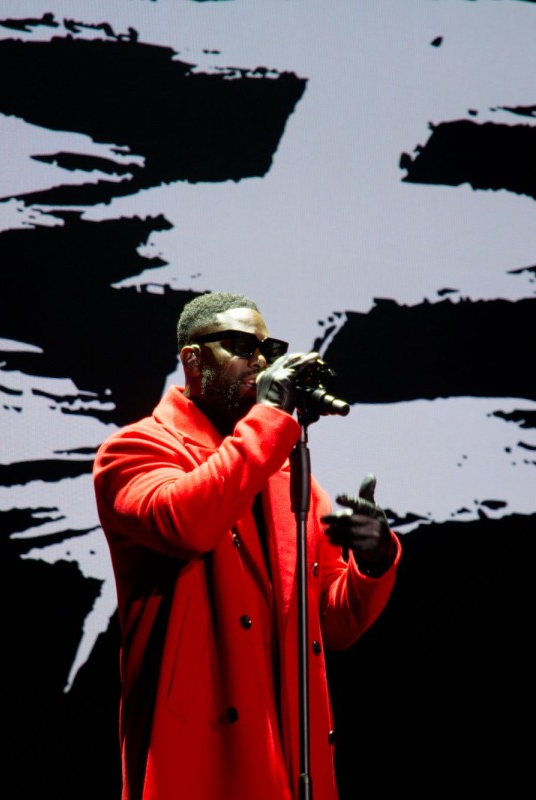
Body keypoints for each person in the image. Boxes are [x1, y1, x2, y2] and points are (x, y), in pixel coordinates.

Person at [92, 291, 401, 800]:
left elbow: (332, 622)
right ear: (191, 359)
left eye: (267, 347)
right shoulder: (134, 450)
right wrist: (269, 421)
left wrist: (373, 559)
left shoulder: (282, 468)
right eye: (239, 345)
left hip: (287, 745)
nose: (259, 361)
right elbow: (184, 522)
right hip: (198, 752)